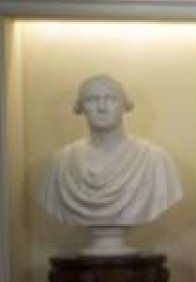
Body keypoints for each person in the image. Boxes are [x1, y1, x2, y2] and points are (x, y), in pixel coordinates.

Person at [41, 74, 183, 228]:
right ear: (80, 107)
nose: (101, 107)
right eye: (92, 100)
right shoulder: (61, 162)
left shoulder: (156, 160)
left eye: (111, 99)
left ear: (124, 105)